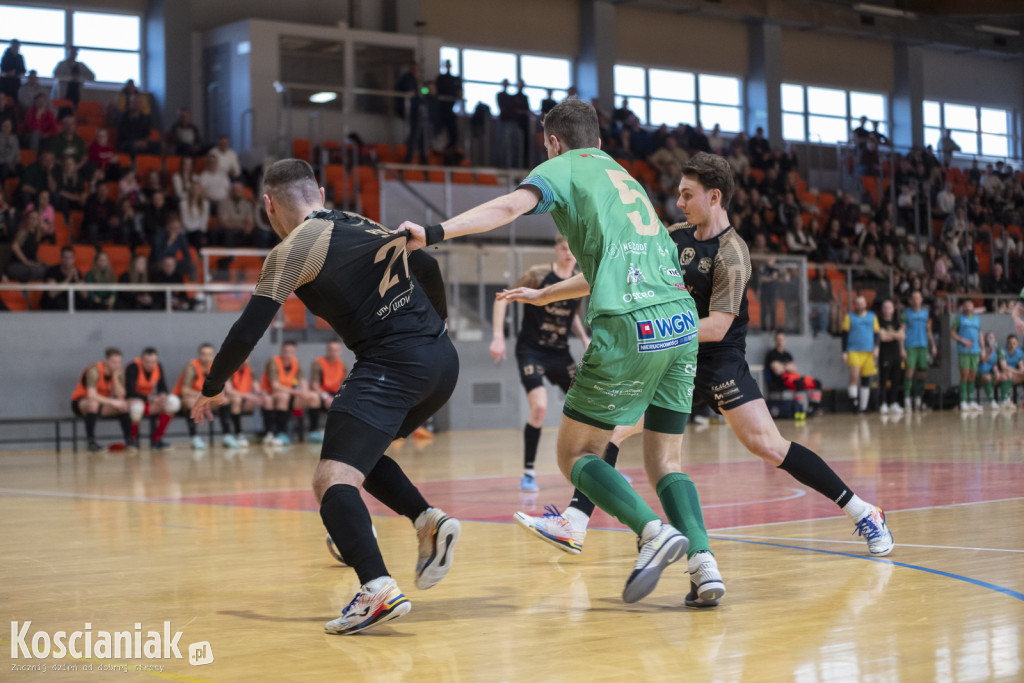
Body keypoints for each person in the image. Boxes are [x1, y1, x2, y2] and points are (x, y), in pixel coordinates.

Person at [506, 152, 893, 576]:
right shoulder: (672, 236)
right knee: (613, 433)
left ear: (714, 196)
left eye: (687, 195)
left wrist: (655, 331)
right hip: (671, 356)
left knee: (768, 445)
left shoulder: (732, 254)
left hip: (715, 356)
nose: (679, 203)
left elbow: (718, 326)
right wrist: (547, 294)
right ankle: (576, 521)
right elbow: (612, 274)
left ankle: (862, 511)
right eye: (678, 194)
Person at [401, 99, 722, 608]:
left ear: (553, 141)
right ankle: (704, 564)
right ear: (596, 136)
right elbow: (611, 263)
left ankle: (652, 533)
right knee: (666, 460)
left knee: (576, 454)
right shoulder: (622, 176)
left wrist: (434, 232)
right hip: (681, 323)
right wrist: (546, 294)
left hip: (628, 325)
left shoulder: (560, 167)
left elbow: (507, 207)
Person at [190, 158, 461, 635]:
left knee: (330, 478)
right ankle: (427, 521)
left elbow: (246, 330)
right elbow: (425, 262)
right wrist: (433, 326)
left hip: (391, 364)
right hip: (441, 360)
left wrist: (212, 387)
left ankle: (376, 587)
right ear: (317, 190)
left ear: (268, 206)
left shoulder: (291, 249)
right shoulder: (360, 221)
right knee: (359, 455)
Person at [489, 235, 594, 492]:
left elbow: (573, 316)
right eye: (563, 248)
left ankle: (600, 469)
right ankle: (528, 472)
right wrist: (498, 336)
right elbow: (502, 297)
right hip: (532, 351)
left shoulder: (579, 278)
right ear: (556, 250)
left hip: (560, 353)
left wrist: (583, 338)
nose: (569, 253)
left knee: (589, 406)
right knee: (539, 408)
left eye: (573, 248)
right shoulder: (538, 275)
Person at [70, 347, 131, 452]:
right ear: (106, 361)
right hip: (81, 403)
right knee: (94, 404)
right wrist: (112, 401)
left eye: (119, 362)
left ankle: (130, 442)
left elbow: (121, 396)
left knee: (124, 406)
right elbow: (91, 395)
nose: (117, 365)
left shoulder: (118, 373)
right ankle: (91, 443)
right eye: (114, 362)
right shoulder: (94, 370)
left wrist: (116, 378)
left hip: (101, 404)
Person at [259, 340, 315, 446]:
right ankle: (281, 432)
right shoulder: (274, 362)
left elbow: (301, 380)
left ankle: (312, 432)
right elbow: (275, 386)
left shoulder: (295, 362)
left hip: (289, 393)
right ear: (281, 351)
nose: (288, 354)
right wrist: (297, 392)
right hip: (271, 393)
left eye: (291, 352)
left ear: (295, 353)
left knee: (312, 397)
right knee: (283, 397)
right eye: (286, 351)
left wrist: (305, 392)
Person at [124, 347, 180, 451]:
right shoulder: (133, 367)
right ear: (141, 360)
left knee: (173, 402)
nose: (150, 365)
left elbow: (163, 387)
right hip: (135, 402)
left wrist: (163, 395)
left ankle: (157, 439)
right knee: (137, 408)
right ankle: (132, 440)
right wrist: (151, 398)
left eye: (153, 362)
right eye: (147, 362)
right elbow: (130, 392)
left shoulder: (158, 367)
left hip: (151, 403)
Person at [764, 330, 822, 416]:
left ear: (785, 340)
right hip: (781, 380)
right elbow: (777, 370)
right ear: (775, 341)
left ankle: (812, 408)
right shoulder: (772, 355)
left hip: (794, 377)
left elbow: (794, 368)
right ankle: (799, 409)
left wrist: (782, 366)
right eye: (778, 339)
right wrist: (787, 366)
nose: (780, 342)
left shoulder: (788, 355)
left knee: (816, 383)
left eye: (782, 339)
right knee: (799, 383)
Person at [842, 295, 880, 414]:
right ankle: (854, 403)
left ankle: (863, 407)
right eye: (857, 303)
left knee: (866, 379)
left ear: (865, 304)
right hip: (854, 350)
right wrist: (844, 351)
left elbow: (877, 333)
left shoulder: (872, 317)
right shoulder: (850, 317)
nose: (860, 305)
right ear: (855, 305)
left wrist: (876, 347)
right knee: (854, 376)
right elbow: (844, 335)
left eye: (862, 303)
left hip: (868, 351)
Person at [174, 343, 216, 449]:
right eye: (204, 354)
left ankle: (229, 435)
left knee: (225, 400)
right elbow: (185, 390)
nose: (206, 357)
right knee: (192, 402)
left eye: (209, 354)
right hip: (182, 400)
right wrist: (203, 395)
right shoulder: (191, 367)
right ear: (199, 355)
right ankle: (194, 437)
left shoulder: (214, 367)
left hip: (204, 399)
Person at [900, 290, 936, 413]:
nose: (916, 299)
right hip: (910, 346)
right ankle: (907, 400)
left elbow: (928, 330)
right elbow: (902, 331)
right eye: (913, 297)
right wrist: (901, 348)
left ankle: (918, 399)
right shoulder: (906, 313)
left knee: (922, 374)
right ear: (910, 300)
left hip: (923, 347)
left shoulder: (926, 313)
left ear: (921, 299)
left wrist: (934, 346)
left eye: (918, 297)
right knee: (909, 372)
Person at [307, 340, 347, 444]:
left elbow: (345, 384)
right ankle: (313, 431)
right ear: (327, 350)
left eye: (336, 350)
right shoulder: (318, 363)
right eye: (331, 350)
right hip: (321, 393)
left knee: (349, 400)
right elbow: (314, 385)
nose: (333, 352)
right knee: (314, 398)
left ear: (340, 351)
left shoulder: (342, 364)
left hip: (336, 393)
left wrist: (339, 396)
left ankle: (342, 432)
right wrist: (326, 397)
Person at [219, 356, 264, 448]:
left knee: (264, 401)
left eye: (247, 357)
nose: (245, 360)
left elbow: (257, 389)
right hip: (231, 399)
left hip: (244, 400)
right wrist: (248, 396)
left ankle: (264, 433)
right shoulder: (228, 370)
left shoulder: (251, 371)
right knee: (235, 399)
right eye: (243, 356)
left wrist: (261, 395)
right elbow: (229, 391)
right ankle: (237, 433)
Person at [950, 298, 983, 413]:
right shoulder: (959, 318)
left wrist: (982, 348)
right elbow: (952, 333)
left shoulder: (977, 319)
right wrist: (962, 340)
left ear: (973, 307)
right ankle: (963, 401)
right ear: (963, 307)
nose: (968, 307)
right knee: (965, 375)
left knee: (973, 376)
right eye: (966, 305)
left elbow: (979, 333)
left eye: (970, 305)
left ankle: (971, 401)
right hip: (964, 351)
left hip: (975, 351)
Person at [877, 299, 905, 415]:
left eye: (889, 307)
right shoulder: (879, 322)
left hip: (896, 354)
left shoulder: (896, 323)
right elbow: (882, 337)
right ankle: (883, 403)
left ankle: (893, 403)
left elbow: (902, 336)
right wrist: (895, 335)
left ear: (893, 309)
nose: (887, 309)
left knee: (896, 379)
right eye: (885, 307)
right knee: (883, 380)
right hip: (884, 354)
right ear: (882, 309)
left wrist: (902, 349)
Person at [40, 246, 84, 311]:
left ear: (74, 259)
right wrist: (68, 278)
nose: (68, 260)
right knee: (59, 303)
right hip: (53, 306)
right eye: (65, 257)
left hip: (69, 303)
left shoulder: (77, 272)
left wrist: (77, 280)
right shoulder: (52, 271)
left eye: (70, 258)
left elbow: (84, 295)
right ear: (61, 258)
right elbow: (52, 294)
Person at [996, 334, 1024, 409]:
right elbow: (1004, 367)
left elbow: (1021, 366)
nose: (1012, 345)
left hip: (1014, 375)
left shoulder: (1019, 352)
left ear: (1017, 344)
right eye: (1010, 343)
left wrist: (1022, 370)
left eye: (1014, 343)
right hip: (1002, 374)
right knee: (1008, 373)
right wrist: (1018, 372)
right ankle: (1005, 400)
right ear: (1007, 343)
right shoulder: (1002, 351)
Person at [976, 332, 1001, 410]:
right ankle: (992, 401)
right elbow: (983, 359)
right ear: (985, 339)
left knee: (1005, 376)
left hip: (989, 374)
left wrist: (997, 372)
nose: (991, 339)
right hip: (978, 375)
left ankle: (1005, 400)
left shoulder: (995, 351)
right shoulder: (981, 348)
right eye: (989, 337)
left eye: (993, 337)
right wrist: (990, 352)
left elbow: (994, 364)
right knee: (987, 377)